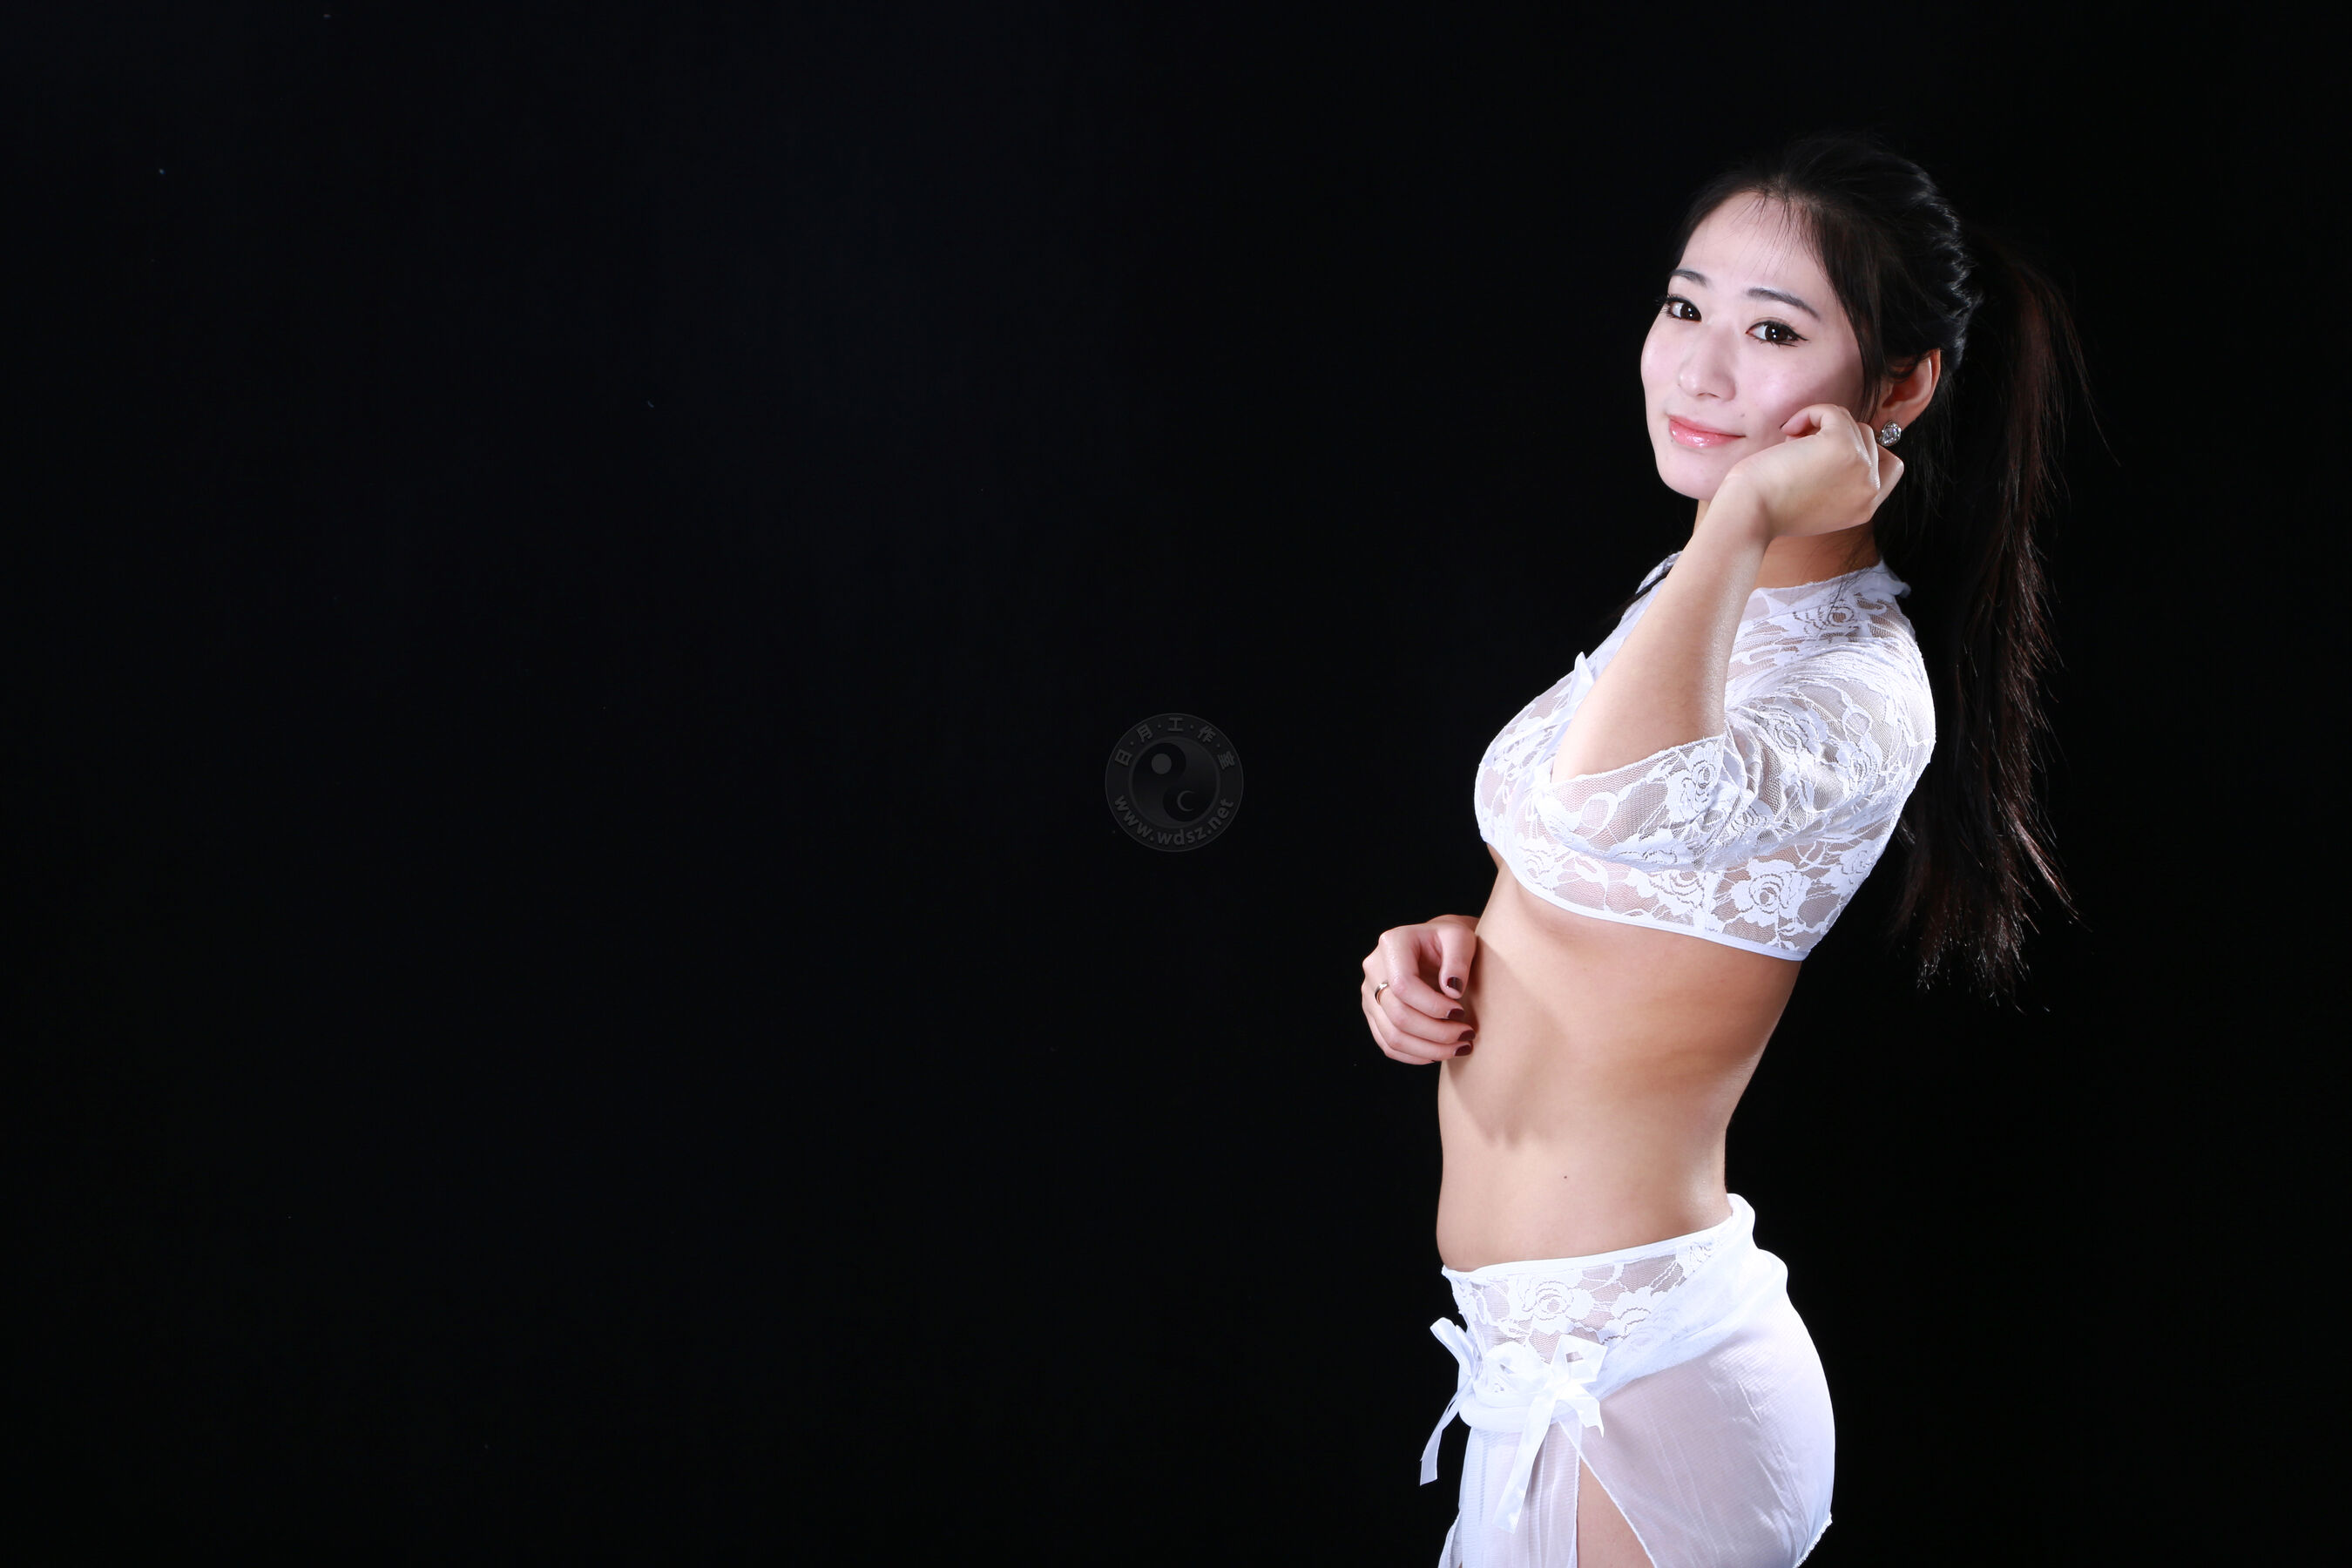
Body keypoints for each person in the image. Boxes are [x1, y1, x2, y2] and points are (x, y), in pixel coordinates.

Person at [1359, 130, 2092, 1567]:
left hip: (1647, 1393)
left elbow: (1615, 801)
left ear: (1899, 390)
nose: (1697, 368)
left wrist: (1747, 510)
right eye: (1684, 306)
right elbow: (1595, 856)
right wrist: (1461, 952)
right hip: (1543, 1368)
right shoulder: (1697, 596)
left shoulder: (1858, 685)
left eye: (1771, 332)